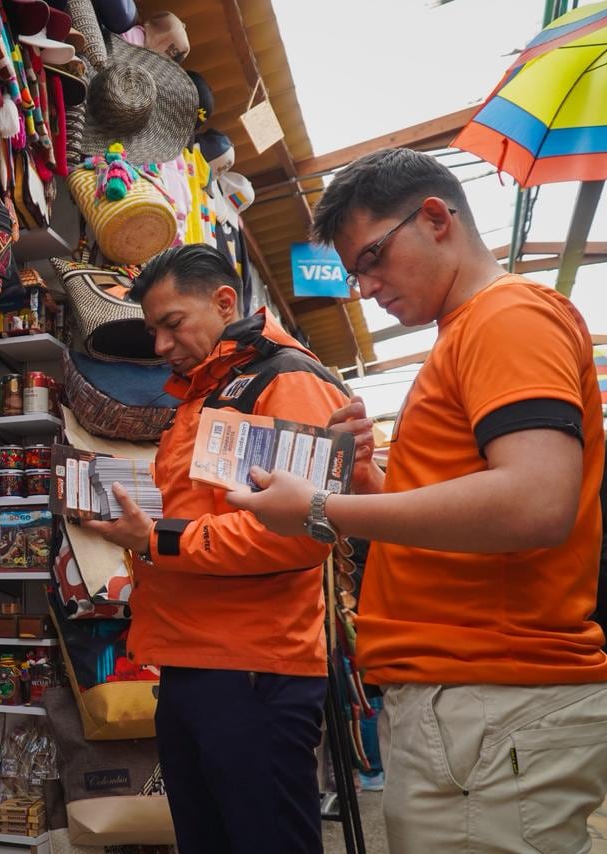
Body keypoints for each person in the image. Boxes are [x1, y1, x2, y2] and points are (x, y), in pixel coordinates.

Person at [227, 147, 607, 853]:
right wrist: (374, 482)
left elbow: (536, 501)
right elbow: (473, 511)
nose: (365, 286)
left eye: (372, 257)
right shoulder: (467, 332)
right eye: (353, 271)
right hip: (471, 704)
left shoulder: (507, 316)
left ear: (435, 218)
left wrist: (322, 509)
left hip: (489, 702)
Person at [84, 245, 350, 854]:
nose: (159, 346)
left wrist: (154, 540)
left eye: (171, 324)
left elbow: (300, 533)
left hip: (255, 670)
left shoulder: (287, 380)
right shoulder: (200, 398)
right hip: (192, 663)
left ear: (224, 301)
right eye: (153, 330)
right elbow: (205, 516)